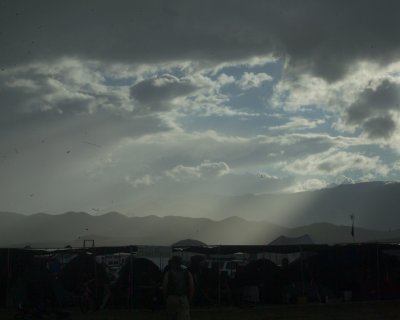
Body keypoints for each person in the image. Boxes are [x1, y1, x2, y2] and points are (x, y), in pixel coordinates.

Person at [163, 256, 194, 320]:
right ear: (181, 263)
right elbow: (191, 287)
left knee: (171, 317)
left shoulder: (168, 273)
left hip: (171, 297)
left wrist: (165, 297)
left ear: (172, 263)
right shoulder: (187, 273)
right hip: (183, 298)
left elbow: (164, 286)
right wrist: (190, 298)